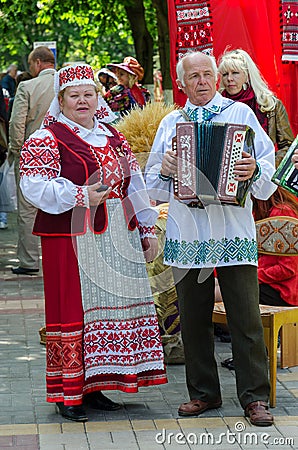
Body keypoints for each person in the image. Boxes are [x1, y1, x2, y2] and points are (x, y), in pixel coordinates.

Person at [19, 63, 167, 422]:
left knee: (106, 309)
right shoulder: (46, 138)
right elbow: (33, 185)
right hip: (69, 236)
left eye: (89, 94)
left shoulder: (113, 136)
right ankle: (68, 393)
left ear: (97, 98)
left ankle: (96, 385)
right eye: (74, 95)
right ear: (61, 100)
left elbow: (134, 184)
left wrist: (146, 228)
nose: (82, 101)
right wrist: (80, 195)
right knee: (72, 309)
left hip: (115, 233)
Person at [145, 51, 277, 426]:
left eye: (207, 74)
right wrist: (167, 169)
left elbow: (267, 165)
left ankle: (254, 397)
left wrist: (253, 169)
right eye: (194, 76)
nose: (202, 81)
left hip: (232, 227)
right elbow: (151, 181)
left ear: (216, 80)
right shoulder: (171, 122)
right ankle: (203, 393)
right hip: (188, 230)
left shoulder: (241, 115)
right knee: (193, 317)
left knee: (245, 317)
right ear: (182, 83)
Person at [8, 46, 56, 275]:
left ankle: (29, 261)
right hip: (64, 152)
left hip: (32, 154)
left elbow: (17, 123)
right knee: (59, 204)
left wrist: (15, 150)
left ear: (37, 63)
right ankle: (58, 258)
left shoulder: (27, 86)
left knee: (28, 209)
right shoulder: (67, 85)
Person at [217, 49, 294, 167]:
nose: (229, 78)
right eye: (225, 74)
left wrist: (264, 166)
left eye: (235, 73)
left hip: (263, 176)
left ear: (247, 75)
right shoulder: (217, 105)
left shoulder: (270, 104)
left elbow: (288, 145)